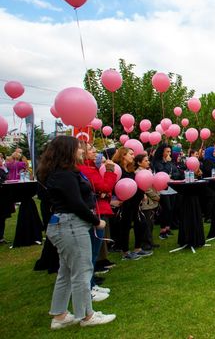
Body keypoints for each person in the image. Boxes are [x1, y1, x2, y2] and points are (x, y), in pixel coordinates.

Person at [38, 136, 116, 329]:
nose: (82, 151)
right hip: (71, 225)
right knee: (82, 271)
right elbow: (75, 203)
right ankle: (87, 316)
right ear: (68, 151)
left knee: (66, 271)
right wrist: (96, 221)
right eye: (79, 148)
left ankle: (60, 315)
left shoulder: (62, 172)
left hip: (66, 225)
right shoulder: (63, 175)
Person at [76, 142, 118, 298]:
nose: (95, 153)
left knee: (93, 250)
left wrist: (103, 193)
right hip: (94, 212)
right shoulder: (85, 169)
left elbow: (103, 190)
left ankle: (91, 283)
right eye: (91, 150)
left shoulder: (91, 167)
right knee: (91, 252)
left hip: (98, 208)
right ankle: (89, 286)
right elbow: (105, 187)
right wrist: (109, 171)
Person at [113, 147, 149, 260]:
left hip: (135, 202)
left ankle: (137, 248)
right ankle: (125, 252)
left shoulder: (130, 169)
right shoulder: (118, 169)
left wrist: (142, 193)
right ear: (123, 155)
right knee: (125, 226)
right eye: (131, 154)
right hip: (125, 203)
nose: (133, 156)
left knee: (141, 223)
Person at [152, 144, 180, 240]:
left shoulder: (171, 161)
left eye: (170, 152)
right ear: (162, 152)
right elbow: (162, 172)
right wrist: (168, 166)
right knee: (166, 208)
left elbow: (177, 172)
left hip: (172, 188)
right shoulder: (157, 162)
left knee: (172, 208)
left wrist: (172, 175)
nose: (169, 153)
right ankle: (162, 230)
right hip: (163, 188)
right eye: (167, 152)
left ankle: (168, 228)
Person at [135, 154, 160, 251]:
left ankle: (150, 242)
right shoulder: (138, 173)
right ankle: (145, 243)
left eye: (148, 160)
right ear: (139, 162)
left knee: (150, 223)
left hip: (151, 201)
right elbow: (146, 189)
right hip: (146, 202)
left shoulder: (147, 171)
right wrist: (156, 197)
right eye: (145, 161)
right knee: (146, 223)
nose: (148, 162)